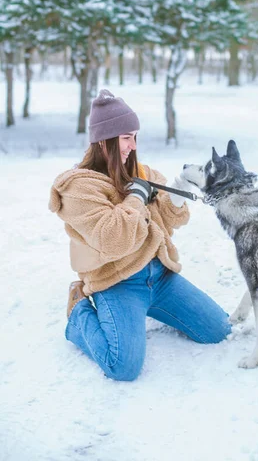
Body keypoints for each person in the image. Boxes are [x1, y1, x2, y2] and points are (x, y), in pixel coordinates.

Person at [49, 89, 231, 381]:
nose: (132, 147)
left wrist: (178, 190)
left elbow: (171, 221)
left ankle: (149, 310)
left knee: (218, 330)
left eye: (135, 137)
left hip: (159, 276)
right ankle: (78, 311)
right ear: (102, 140)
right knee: (123, 367)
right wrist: (135, 198)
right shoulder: (79, 189)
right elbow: (114, 239)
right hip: (117, 281)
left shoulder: (142, 172)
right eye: (125, 138)